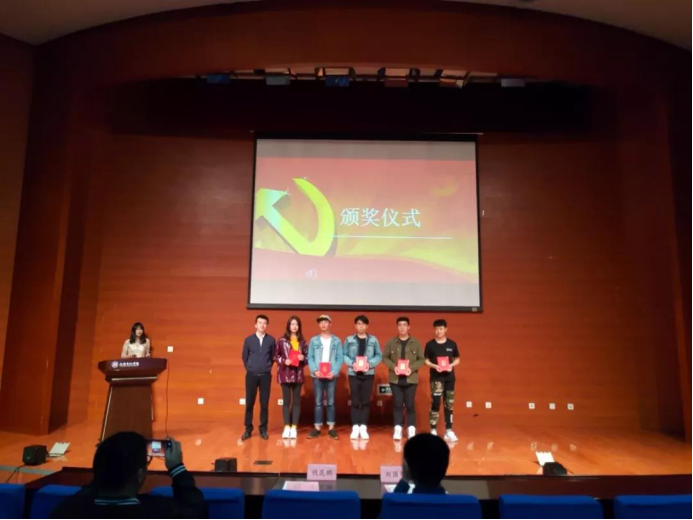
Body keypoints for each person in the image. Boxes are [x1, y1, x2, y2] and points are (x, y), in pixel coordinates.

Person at [50, 432, 205, 519]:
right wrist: (177, 468)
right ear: (139, 475)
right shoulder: (161, 512)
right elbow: (197, 512)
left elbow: (84, 495)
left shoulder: (65, 512)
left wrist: (105, 468)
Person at [383, 317, 425, 441]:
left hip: (411, 379)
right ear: (397, 327)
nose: (402, 327)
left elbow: (421, 359)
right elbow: (385, 357)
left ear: (408, 327)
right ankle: (398, 428)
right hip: (395, 379)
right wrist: (393, 367)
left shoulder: (416, 343)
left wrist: (411, 369)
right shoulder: (391, 342)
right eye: (400, 325)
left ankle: (411, 428)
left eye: (404, 325)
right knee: (397, 404)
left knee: (410, 404)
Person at [342, 315, 382, 440]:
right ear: (355, 325)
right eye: (359, 324)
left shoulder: (373, 340)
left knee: (365, 401)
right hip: (353, 374)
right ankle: (355, 427)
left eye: (363, 324)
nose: (361, 326)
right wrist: (352, 364)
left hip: (368, 374)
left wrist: (370, 364)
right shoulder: (349, 339)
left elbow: (378, 355)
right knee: (354, 401)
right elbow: (344, 355)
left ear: (367, 326)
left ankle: (363, 427)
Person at [307, 315, 344, 440]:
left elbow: (340, 358)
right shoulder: (314, 340)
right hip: (317, 375)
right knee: (318, 402)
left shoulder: (336, 341)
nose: (323, 324)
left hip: (330, 375)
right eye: (321, 322)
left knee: (331, 402)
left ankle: (331, 428)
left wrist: (334, 372)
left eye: (325, 322)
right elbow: (310, 357)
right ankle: (317, 428)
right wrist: (315, 370)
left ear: (330, 324)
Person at [425, 319, 461, 442]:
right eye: (436, 329)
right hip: (436, 378)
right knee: (435, 402)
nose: (439, 331)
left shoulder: (452, 344)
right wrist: (435, 366)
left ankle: (449, 430)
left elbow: (457, 359)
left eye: (441, 329)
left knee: (449, 403)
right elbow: (426, 361)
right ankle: (433, 429)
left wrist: (451, 365)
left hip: (449, 378)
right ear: (434, 330)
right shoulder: (430, 345)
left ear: (446, 329)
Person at [241, 315, 276, 441]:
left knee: (264, 404)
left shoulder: (271, 340)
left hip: (265, 376)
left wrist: (266, 367)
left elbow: (273, 357)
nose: (262, 325)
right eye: (260, 323)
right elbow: (244, 357)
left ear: (267, 325)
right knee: (249, 403)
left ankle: (263, 429)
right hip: (251, 376)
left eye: (264, 323)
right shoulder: (248, 340)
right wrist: (251, 368)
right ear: (255, 325)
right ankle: (248, 429)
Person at [274, 316, 308, 439]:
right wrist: (284, 361)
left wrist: (303, 358)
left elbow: (307, 358)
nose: (294, 326)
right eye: (292, 324)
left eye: (296, 324)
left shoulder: (302, 342)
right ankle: (286, 427)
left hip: (298, 375)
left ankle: (294, 427)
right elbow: (275, 356)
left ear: (299, 327)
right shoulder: (282, 340)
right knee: (286, 401)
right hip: (285, 374)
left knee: (297, 402)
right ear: (288, 326)